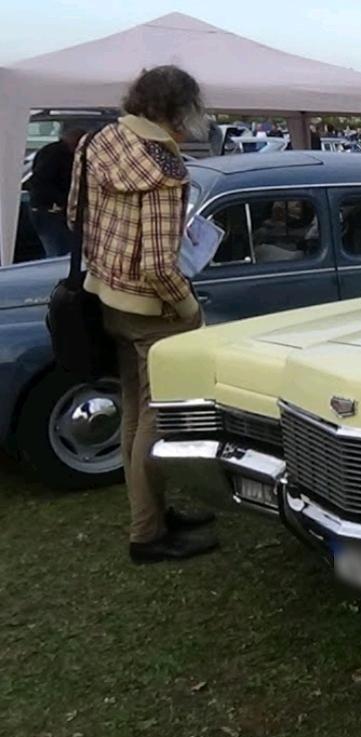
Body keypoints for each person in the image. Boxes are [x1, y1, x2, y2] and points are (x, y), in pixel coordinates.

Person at [69, 65, 218, 564]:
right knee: (154, 421)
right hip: (150, 308)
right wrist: (189, 309)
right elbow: (158, 265)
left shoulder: (97, 142)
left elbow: (75, 215)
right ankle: (147, 534)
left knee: (135, 412)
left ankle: (150, 515)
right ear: (177, 111)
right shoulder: (164, 168)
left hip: (106, 295)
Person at [26, 124, 86, 258]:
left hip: (45, 208)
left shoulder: (49, 152)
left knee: (57, 250)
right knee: (60, 251)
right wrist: (64, 201)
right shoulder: (57, 155)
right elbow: (42, 182)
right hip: (50, 210)